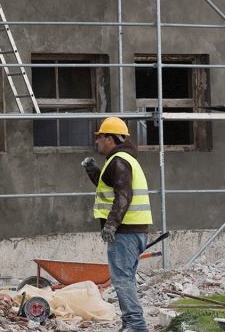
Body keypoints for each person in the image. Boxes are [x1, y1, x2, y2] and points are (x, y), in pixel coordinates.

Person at [82, 117, 152, 332]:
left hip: (125, 232)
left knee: (122, 280)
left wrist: (111, 225)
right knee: (126, 279)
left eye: (100, 137)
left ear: (110, 139)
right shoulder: (123, 160)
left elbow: (123, 195)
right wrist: (94, 171)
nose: (97, 142)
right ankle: (130, 324)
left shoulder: (119, 161)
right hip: (134, 230)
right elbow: (112, 186)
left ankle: (137, 325)